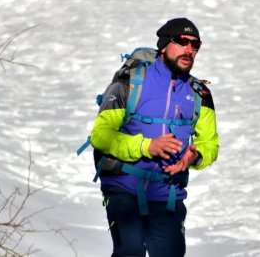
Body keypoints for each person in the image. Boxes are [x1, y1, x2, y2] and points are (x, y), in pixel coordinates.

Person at [90, 18, 219, 257]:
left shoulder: (200, 93)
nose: (189, 49)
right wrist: (146, 146)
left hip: (168, 194)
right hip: (123, 187)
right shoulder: (128, 83)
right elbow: (101, 135)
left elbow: (210, 143)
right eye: (182, 42)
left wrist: (196, 155)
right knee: (130, 251)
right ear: (164, 44)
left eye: (195, 45)